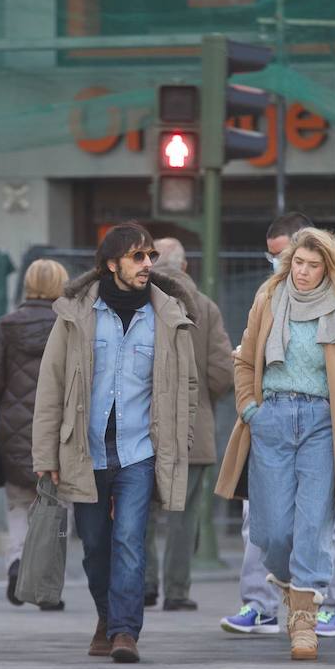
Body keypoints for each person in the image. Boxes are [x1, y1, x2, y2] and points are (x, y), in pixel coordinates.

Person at [215, 228, 335, 662]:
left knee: (313, 523)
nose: (304, 273)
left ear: (328, 268)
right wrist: (251, 409)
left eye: (314, 265)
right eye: (298, 263)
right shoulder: (268, 298)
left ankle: (304, 620)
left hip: (323, 423)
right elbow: (246, 357)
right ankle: (292, 587)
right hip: (271, 417)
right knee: (270, 529)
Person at [32, 222, 198, 664]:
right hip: (84, 450)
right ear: (111, 264)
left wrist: (179, 442)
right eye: (137, 257)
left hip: (139, 451)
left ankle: (125, 631)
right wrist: (46, 455)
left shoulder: (168, 315)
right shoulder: (77, 314)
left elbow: (189, 387)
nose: (147, 265)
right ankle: (106, 617)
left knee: (129, 538)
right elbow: (51, 386)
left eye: (150, 257)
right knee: (95, 544)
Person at [142, 237, 233, 612]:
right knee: (183, 515)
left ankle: (143, 585)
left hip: (142, 427)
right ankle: (177, 591)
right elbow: (222, 372)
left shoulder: (138, 303)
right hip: (193, 431)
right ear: (185, 267)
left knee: (139, 511)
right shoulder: (206, 308)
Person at [0, 258, 69, 609]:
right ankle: (47, 583)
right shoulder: (69, 322)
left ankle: (17, 564)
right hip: (59, 426)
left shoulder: (8, 324)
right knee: (58, 504)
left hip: (15, 429)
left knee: (18, 503)